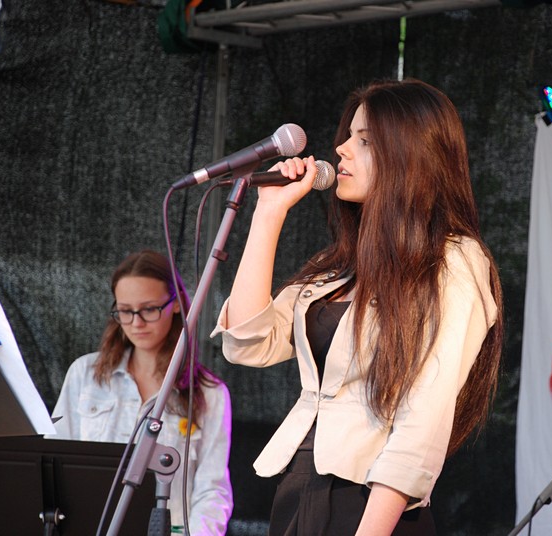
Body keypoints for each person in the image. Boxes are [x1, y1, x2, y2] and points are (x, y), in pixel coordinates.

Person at [212, 78, 504, 535]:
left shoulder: (453, 261)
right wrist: (269, 213)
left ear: (410, 155)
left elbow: (423, 420)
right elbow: (247, 343)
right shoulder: (341, 266)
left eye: (364, 140)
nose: (341, 149)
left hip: (368, 503)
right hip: (299, 489)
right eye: (348, 136)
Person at [50, 250, 233, 535]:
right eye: (125, 311)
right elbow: (56, 462)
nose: (136, 322)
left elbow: (212, 491)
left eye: (149, 309)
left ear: (176, 304)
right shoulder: (84, 374)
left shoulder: (210, 393)